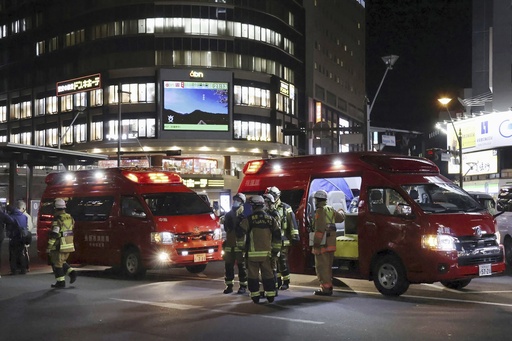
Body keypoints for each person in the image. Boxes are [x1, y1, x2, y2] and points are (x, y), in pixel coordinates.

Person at [240, 195, 281, 304]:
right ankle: (270, 296)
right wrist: (275, 251)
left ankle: (255, 296)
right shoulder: (271, 220)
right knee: (268, 275)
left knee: (253, 276)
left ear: (253, 206)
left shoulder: (248, 220)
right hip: (267, 255)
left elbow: (240, 234)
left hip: (252, 255)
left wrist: (241, 247)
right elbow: (277, 235)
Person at [265, 186, 300, 290]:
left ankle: (286, 281)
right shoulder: (267, 207)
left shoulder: (285, 208)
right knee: (273, 262)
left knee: (282, 262)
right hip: (270, 240)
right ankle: (278, 280)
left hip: (283, 240)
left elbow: (292, 223)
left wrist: (295, 236)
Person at [311, 190, 345, 296]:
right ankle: (328, 287)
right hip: (331, 244)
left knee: (322, 267)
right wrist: (341, 210)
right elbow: (341, 218)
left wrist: (315, 243)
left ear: (317, 200)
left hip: (322, 244)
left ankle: (325, 289)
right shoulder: (330, 209)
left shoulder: (320, 211)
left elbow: (320, 230)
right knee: (328, 267)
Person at [221, 193, 248, 294]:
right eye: (235, 200)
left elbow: (246, 230)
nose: (236, 202)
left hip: (240, 246)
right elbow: (226, 229)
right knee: (228, 266)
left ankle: (243, 286)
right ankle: (229, 286)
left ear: (242, 202)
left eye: (238, 200)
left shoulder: (245, 214)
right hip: (229, 245)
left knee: (242, 267)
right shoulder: (228, 214)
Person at [47, 198, 77, 288]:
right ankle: (72, 273)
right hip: (69, 244)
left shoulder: (57, 219)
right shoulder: (70, 217)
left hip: (59, 245)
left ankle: (61, 282)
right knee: (61, 261)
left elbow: (55, 234)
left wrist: (49, 246)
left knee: (57, 264)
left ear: (55, 208)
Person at [5, 205, 28, 275]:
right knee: (21, 253)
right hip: (23, 237)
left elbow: (9, 228)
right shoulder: (24, 216)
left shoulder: (11, 217)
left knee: (13, 254)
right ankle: (23, 269)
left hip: (15, 237)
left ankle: (14, 270)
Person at [17, 200, 32, 272]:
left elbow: (29, 227)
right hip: (24, 236)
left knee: (24, 252)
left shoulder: (26, 216)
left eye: (18, 208)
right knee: (23, 252)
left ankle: (26, 266)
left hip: (24, 237)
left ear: (23, 208)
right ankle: (24, 266)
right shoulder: (26, 216)